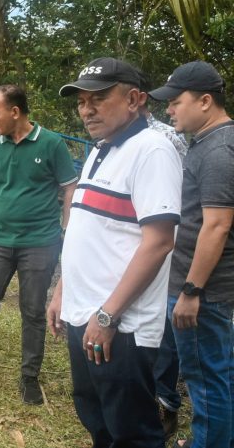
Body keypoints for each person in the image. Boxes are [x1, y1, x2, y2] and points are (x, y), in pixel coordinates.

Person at [47, 57, 182, 447]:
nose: (87, 110)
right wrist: (62, 289)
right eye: (81, 102)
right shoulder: (101, 148)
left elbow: (159, 242)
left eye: (99, 99)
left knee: (131, 430)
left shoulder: (152, 150)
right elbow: (88, 230)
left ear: (135, 99)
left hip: (120, 326)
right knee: (96, 416)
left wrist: (108, 315)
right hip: (84, 313)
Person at [0, 85, 78, 405]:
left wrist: (67, 231)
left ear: (15, 112)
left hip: (40, 242)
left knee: (32, 311)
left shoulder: (51, 144)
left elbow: (70, 190)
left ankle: (30, 377)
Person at [148, 61, 232, 448]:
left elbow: (216, 225)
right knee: (211, 373)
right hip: (203, 288)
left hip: (206, 292)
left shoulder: (218, 150)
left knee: (205, 376)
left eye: (175, 102)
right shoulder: (209, 143)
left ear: (205, 101)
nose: (169, 110)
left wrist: (191, 291)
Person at [139, 74, 188, 439]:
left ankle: (165, 403)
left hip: (167, 240)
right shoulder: (110, 142)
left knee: (166, 327)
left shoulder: (164, 138)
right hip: (137, 241)